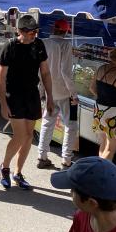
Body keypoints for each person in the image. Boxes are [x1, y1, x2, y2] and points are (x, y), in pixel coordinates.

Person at [0, 14, 54, 191]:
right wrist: (4, 104)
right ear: (20, 31)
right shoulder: (10, 46)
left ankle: (18, 173)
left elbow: (45, 73)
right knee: (20, 135)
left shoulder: (39, 45)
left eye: (36, 31)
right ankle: (4, 167)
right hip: (14, 95)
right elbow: (0, 78)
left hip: (32, 94)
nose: (34, 34)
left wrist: (50, 97)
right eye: (31, 32)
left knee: (29, 136)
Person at [37, 19, 79, 170]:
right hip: (63, 91)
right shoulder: (65, 45)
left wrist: (42, 90)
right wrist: (73, 93)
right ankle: (66, 160)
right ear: (66, 31)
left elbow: (40, 70)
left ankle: (42, 156)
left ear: (53, 29)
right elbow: (65, 72)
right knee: (70, 125)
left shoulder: (44, 43)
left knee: (47, 122)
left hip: (49, 90)